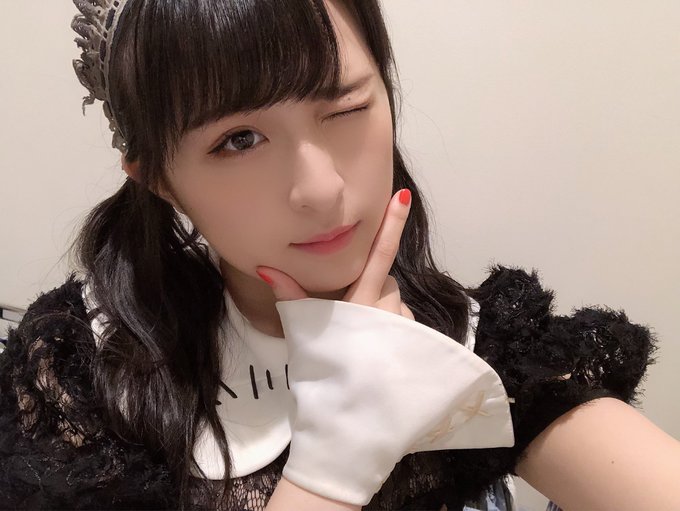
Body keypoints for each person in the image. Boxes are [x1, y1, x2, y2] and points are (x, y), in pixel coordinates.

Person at [0, 0, 678, 509]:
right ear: (158, 178)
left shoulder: (484, 344)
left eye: (345, 107)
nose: (320, 189)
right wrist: (332, 468)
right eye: (238, 140)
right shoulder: (79, 374)